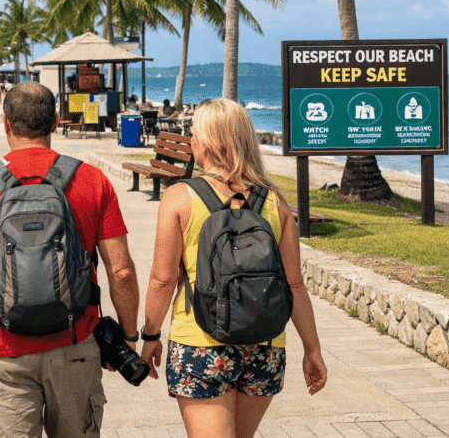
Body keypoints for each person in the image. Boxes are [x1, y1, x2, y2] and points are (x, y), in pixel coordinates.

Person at [0, 82, 142, 438]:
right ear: (56, 122)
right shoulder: (91, 180)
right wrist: (129, 335)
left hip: (4, 348)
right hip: (75, 342)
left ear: (5, 124)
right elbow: (120, 271)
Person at [139, 99, 327, 438]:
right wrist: (312, 349)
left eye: (192, 133)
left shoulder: (181, 197)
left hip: (200, 344)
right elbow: (295, 286)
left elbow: (163, 279)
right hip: (265, 345)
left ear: (204, 142)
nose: (190, 139)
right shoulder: (274, 201)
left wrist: (150, 336)